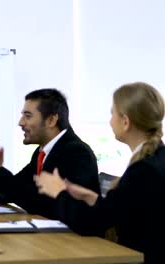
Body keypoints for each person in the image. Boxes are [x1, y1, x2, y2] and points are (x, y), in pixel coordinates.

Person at [34, 82, 165, 263]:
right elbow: (119, 209)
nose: (110, 120)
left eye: (112, 113)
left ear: (125, 122)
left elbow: (91, 223)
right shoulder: (157, 158)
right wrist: (91, 198)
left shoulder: (143, 171)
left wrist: (59, 192)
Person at [0, 88, 100, 219]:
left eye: (27, 116)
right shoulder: (43, 151)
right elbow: (13, 193)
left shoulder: (77, 153)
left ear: (51, 120)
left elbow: (44, 204)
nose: (20, 122)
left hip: (73, 241)